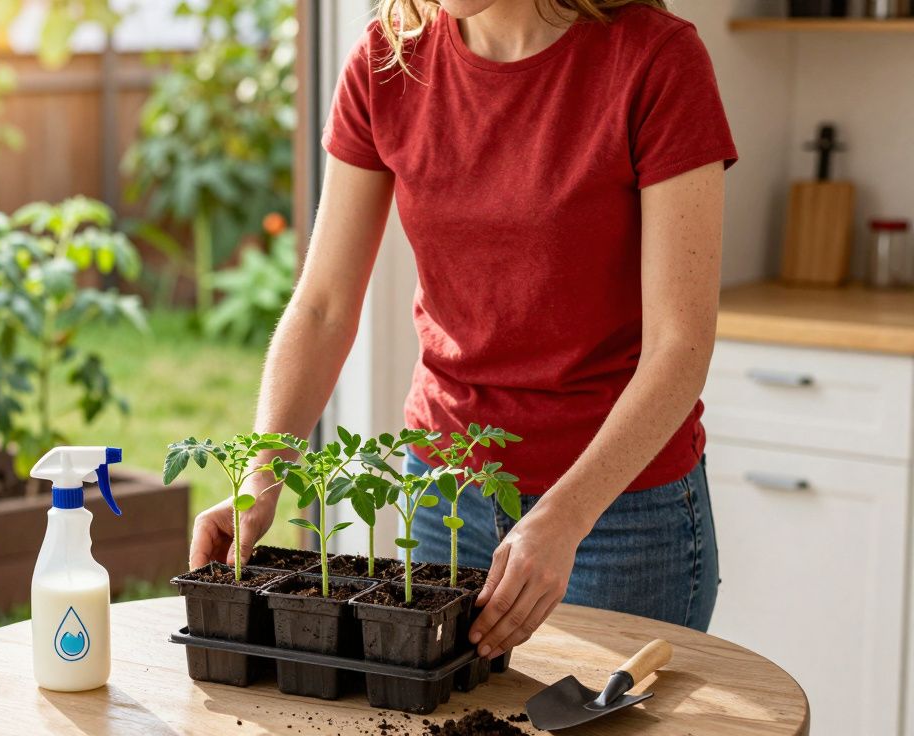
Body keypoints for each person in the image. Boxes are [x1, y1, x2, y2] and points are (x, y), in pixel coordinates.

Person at [188, 0, 736, 663]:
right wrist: (261, 476)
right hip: (445, 499)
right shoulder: (387, 62)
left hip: (620, 517)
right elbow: (323, 306)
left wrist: (564, 518)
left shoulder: (655, 61)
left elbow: (680, 347)